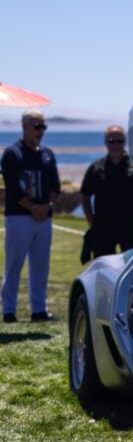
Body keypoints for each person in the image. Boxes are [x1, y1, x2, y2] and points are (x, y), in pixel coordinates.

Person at [1, 110, 60, 322]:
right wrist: (34, 208)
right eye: (37, 126)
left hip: (43, 219)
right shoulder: (12, 154)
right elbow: (13, 189)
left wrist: (46, 207)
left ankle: (39, 309)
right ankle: (9, 311)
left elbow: (55, 186)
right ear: (25, 127)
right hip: (19, 217)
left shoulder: (47, 154)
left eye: (43, 127)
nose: (41, 131)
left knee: (41, 265)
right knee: (14, 265)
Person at [80, 126, 133, 257]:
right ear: (105, 143)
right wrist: (91, 222)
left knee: (132, 266)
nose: (115, 144)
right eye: (111, 140)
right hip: (103, 227)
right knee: (103, 267)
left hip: (130, 227)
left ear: (125, 142)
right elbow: (85, 196)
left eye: (119, 141)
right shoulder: (96, 168)